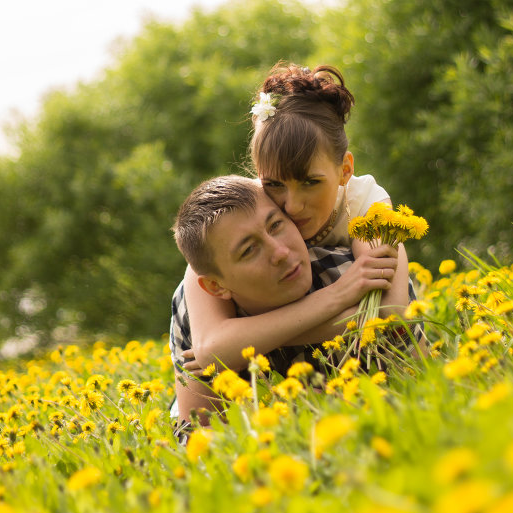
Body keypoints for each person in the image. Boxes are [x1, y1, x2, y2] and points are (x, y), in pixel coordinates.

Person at [180, 63, 411, 375]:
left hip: (338, 362)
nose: (292, 206)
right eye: (274, 184)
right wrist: (337, 298)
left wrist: (249, 340)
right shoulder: (244, 208)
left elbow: (388, 314)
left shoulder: (367, 205)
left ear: (344, 170)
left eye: (310, 183)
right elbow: (209, 348)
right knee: (189, 289)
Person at [170, 175, 401, 425]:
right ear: (216, 286)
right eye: (249, 250)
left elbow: (412, 386)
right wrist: (335, 298)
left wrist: (240, 346)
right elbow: (197, 433)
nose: (280, 252)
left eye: (276, 225)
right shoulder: (195, 309)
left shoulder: (349, 271)